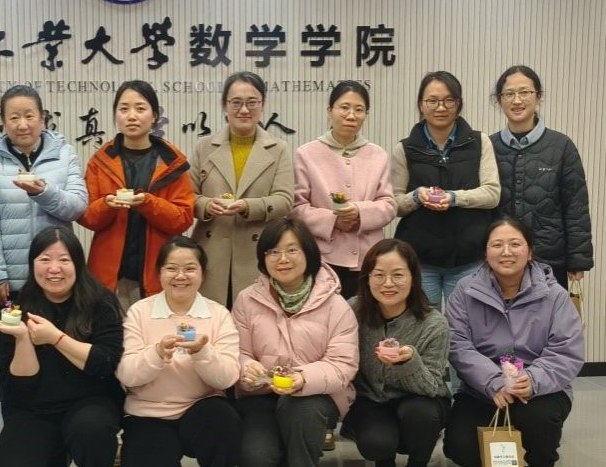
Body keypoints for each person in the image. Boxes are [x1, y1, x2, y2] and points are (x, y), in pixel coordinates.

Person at [0, 227, 125, 467]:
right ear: (32, 263)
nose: (54, 268)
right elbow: (19, 384)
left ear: (78, 263)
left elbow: (104, 363)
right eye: (45, 259)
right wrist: (23, 339)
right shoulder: (14, 307)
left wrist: (55, 338)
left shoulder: (100, 301)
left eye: (64, 260)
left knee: (92, 428)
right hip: (35, 406)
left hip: (89, 401)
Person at [442, 218, 585, 467]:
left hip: (540, 389)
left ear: (530, 252)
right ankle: (493, 457)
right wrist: (492, 381)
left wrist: (531, 380)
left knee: (538, 420)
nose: (506, 252)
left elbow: (566, 350)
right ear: (485, 252)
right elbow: (457, 344)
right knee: (460, 449)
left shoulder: (554, 294)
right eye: (497, 245)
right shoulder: (465, 291)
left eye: (515, 244)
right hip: (483, 390)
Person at [232, 218, 359, 467]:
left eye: (292, 250)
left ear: (309, 254)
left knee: (300, 409)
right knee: (255, 458)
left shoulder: (335, 305)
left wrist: (302, 379)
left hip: (315, 396)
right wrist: (246, 368)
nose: (283, 259)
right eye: (273, 251)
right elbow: (238, 351)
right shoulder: (247, 300)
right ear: (263, 258)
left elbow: (342, 365)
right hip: (261, 394)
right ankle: (287, 462)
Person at [117, 237, 242, 467]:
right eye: (172, 268)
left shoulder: (218, 314)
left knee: (224, 418)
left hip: (201, 409)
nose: (180, 276)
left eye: (190, 268)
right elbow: (127, 375)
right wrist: (157, 353)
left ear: (203, 273)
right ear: (159, 272)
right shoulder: (140, 312)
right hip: (150, 413)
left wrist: (202, 352)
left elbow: (227, 377)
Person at [342, 239, 451, 467]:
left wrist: (409, 361)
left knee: (422, 415)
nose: (388, 283)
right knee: (376, 444)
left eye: (398, 275)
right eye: (379, 275)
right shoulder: (352, 311)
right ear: (367, 279)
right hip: (371, 399)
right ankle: (385, 460)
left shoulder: (433, 323)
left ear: (413, 278)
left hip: (419, 399)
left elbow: (431, 386)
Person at [79, 80, 195, 310]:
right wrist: (107, 205)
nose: (132, 116)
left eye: (140, 108)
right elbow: (87, 217)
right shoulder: (100, 161)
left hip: (157, 272)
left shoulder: (172, 163)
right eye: (124, 109)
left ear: (154, 116)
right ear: (115, 115)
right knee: (110, 329)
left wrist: (148, 203)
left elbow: (183, 219)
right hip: (109, 273)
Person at [391, 71, 500, 309]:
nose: (441, 107)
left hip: (469, 257)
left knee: (465, 323)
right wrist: (416, 196)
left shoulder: (479, 142)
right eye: (432, 101)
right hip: (420, 258)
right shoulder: (405, 149)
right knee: (423, 324)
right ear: (421, 105)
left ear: (459, 104)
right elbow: (395, 204)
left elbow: (492, 194)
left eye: (449, 100)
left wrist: (453, 198)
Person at [0, 85, 88, 306]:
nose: (22, 125)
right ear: (3, 121)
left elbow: (77, 207)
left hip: (56, 275)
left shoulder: (65, 154)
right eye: (14, 118)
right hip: (11, 281)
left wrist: (43, 192)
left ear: (42, 118)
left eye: (29, 116)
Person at [190, 72, 294, 307]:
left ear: (262, 105)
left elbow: (285, 200)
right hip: (212, 248)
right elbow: (188, 196)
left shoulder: (279, 149)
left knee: (254, 318)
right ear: (225, 106)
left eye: (252, 102)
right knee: (212, 319)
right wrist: (207, 205)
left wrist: (248, 206)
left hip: (258, 250)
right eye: (236, 102)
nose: (244, 110)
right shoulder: (204, 147)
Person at [290, 81, 397, 300]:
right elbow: (296, 207)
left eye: (359, 110)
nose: (351, 115)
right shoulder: (307, 154)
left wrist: (359, 212)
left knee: (366, 317)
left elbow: (388, 205)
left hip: (369, 258)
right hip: (323, 258)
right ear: (330, 111)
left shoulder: (378, 155)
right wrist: (333, 220)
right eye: (344, 107)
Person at [489, 65, 594, 288]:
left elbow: (576, 206)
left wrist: (578, 258)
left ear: (538, 96)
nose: (517, 100)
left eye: (524, 92)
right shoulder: (488, 147)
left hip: (549, 259)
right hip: (500, 261)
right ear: (499, 100)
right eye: (509, 94)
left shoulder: (561, 146)